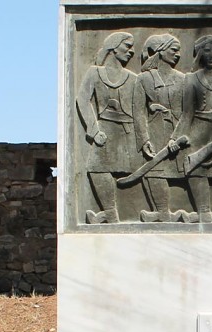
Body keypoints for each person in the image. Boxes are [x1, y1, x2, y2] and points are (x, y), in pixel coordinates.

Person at [76, 32, 136, 224]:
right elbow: (82, 99)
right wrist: (93, 131)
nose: (132, 51)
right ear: (114, 46)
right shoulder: (94, 73)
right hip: (105, 131)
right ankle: (110, 213)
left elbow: (141, 106)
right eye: (127, 46)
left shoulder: (133, 78)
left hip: (128, 131)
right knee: (96, 167)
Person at [171, 35, 212, 223]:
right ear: (200, 54)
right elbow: (187, 112)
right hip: (197, 128)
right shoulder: (191, 79)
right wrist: (175, 137)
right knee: (194, 167)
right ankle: (204, 212)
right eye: (207, 50)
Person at [133, 34, 185, 222]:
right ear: (161, 50)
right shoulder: (144, 79)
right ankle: (162, 211)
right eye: (174, 50)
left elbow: (189, 110)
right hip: (155, 130)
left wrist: (179, 135)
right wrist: (144, 139)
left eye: (179, 51)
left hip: (180, 131)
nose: (178, 55)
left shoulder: (183, 79)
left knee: (189, 169)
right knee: (155, 170)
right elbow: (138, 112)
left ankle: (202, 211)